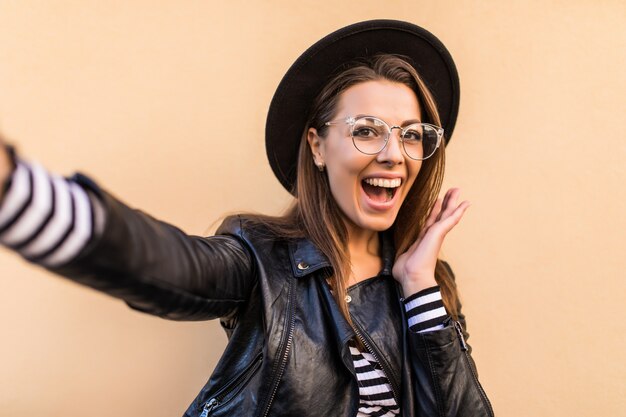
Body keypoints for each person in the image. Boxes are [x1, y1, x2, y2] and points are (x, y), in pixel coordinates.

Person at [0, 20, 493, 417]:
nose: (394, 154)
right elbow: (164, 266)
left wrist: (419, 286)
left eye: (411, 134)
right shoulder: (262, 259)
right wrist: (16, 193)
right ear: (317, 146)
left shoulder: (427, 284)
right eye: (367, 130)